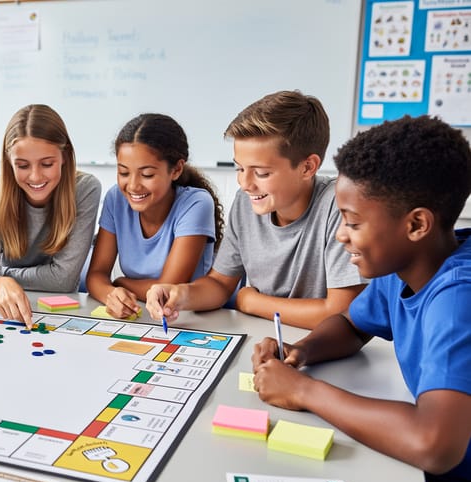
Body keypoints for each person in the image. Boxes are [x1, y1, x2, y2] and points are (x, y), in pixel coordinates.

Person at [251, 115, 471, 482]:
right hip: (422, 472)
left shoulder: (457, 299)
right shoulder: (407, 265)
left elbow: (435, 445)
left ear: (417, 224)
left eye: (353, 222)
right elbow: (352, 324)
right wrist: (301, 352)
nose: (341, 234)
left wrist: (303, 391)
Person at [146, 90, 364, 329]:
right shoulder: (246, 202)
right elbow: (220, 284)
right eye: (239, 169)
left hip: (320, 347)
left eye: (262, 173)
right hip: (266, 338)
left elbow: (341, 311)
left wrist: (251, 302)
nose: (245, 183)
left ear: (307, 167)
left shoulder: (339, 206)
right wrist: (180, 294)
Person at [0, 104, 101, 327]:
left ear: (65, 156)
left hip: (63, 312)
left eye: (47, 164)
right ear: (9, 161)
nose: (35, 176)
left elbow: (63, 281)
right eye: (22, 165)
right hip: (10, 311)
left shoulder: (85, 189)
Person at [86, 113, 224, 319]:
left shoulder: (196, 203)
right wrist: (111, 295)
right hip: (139, 315)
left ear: (176, 169)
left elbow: (167, 289)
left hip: (187, 319)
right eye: (124, 172)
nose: (133, 185)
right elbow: (96, 275)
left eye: (147, 174)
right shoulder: (116, 198)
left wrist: (122, 283)